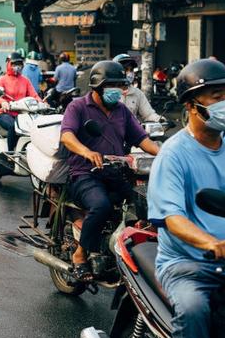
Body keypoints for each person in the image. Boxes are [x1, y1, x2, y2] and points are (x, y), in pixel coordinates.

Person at [147, 58, 225, 338]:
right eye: (217, 98)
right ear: (191, 105)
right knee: (193, 310)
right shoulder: (173, 154)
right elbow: (173, 219)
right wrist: (212, 243)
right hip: (187, 264)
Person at [60, 60, 160, 280]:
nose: (117, 91)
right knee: (101, 205)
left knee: (145, 203)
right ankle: (80, 254)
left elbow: (142, 139)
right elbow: (67, 136)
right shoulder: (77, 107)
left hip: (114, 172)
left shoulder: (122, 111)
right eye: (111, 85)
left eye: (119, 85)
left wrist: (165, 155)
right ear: (97, 86)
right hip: (84, 174)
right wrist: (87, 152)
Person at [0, 52, 41, 151]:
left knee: (34, 127)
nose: (17, 67)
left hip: (22, 114)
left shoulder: (25, 80)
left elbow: (34, 95)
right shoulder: (2, 80)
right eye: (14, 64)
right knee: (13, 126)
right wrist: (3, 102)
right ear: (8, 64)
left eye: (19, 64)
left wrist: (42, 103)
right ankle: (10, 154)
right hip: (5, 113)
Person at [113, 54, 161, 122]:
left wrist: (160, 120)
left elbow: (148, 114)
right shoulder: (109, 94)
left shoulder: (137, 93)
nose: (129, 73)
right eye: (125, 69)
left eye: (131, 70)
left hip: (133, 131)